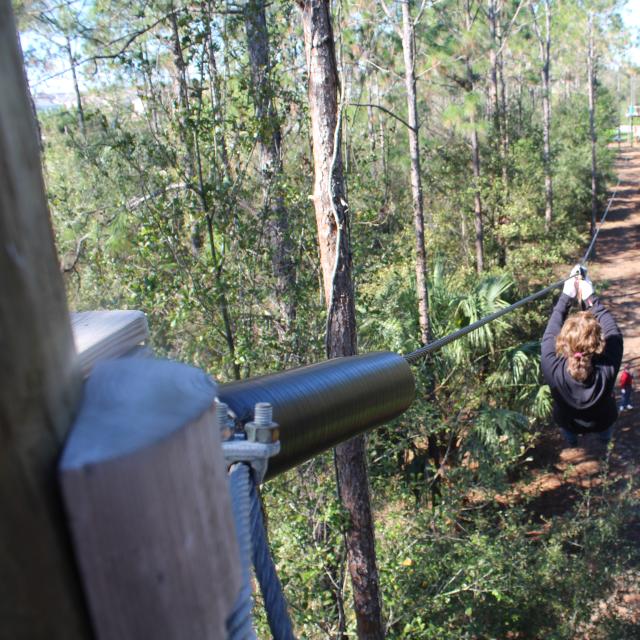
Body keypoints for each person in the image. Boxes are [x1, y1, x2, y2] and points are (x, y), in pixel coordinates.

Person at [541, 266, 623, 446]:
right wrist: (589, 297)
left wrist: (566, 296)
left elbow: (549, 333)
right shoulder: (607, 367)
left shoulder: (552, 367)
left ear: (563, 342)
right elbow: (613, 330)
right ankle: (604, 442)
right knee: (605, 434)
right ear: (597, 343)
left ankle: (572, 443)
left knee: (569, 434)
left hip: (568, 421)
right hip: (603, 420)